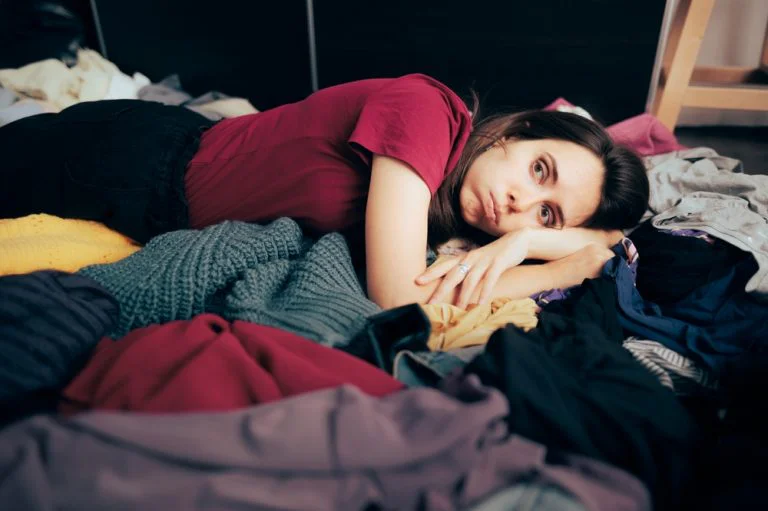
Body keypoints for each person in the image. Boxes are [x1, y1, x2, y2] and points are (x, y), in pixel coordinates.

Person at [0, 73, 649, 310]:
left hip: (157, 176)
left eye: (546, 211)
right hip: (134, 159)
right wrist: (554, 266)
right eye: (539, 171)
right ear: (516, 132)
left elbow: (611, 240)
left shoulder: (446, 210)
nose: (517, 205)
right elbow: (394, 295)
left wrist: (532, 240)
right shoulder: (430, 112)